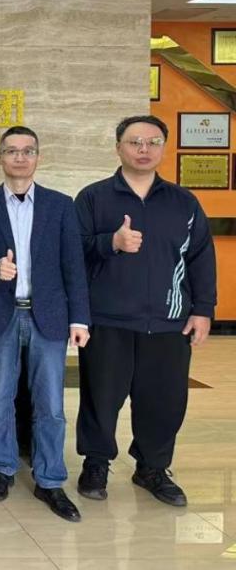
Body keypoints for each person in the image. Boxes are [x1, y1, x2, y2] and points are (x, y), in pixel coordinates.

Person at [74, 115, 216, 507]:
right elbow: (73, 251)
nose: (144, 149)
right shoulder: (93, 198)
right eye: (135, 142)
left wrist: (203, 309)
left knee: (164, 401)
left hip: (170, 321)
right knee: (101, 398)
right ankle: (96, 463)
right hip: (108, 318)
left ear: (163, 149)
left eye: (153, 142)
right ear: (118, 147)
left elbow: (201, 258)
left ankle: (152, 467)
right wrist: (111, 242)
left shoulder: (183, 202)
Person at [0, 126, 90, 522]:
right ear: (0, 158)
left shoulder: (60, 205)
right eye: (12, 151)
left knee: (51, 405)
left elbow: (74, 265)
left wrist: (79, 318)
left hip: (47, 317)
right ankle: (2, 469)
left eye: (28, 151)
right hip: (1, 313)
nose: (20, 157)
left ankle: (50, 479)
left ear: (38, 157)